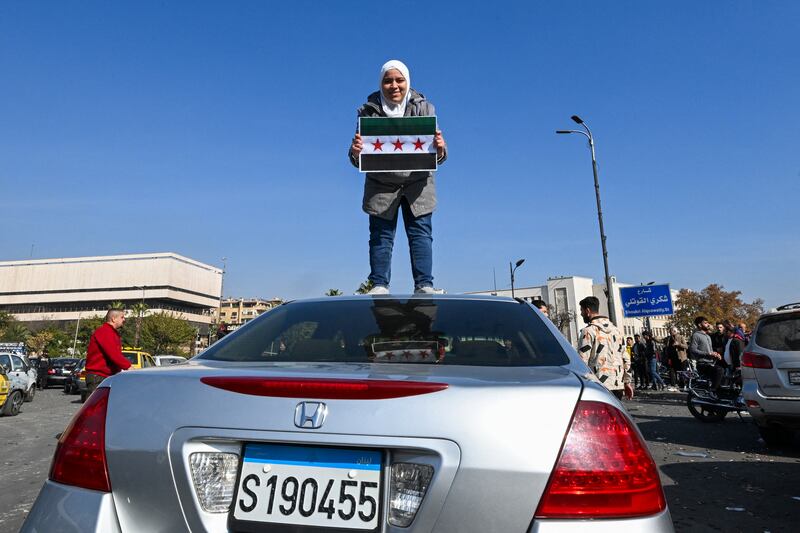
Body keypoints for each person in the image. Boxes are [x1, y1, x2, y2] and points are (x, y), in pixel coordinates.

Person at [349, 60, 447, 295]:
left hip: (418, 184)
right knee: (381, 236)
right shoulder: (367, 111)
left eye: (399, 80)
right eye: (388, 80)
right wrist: (355, 152)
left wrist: (441, 148)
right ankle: (379, 284)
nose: (394, 85)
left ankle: (425, 284)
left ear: (408, 82)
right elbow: (356, 159)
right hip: (381, 185)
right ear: (381, 84)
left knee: (421, 233)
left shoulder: (426, 109)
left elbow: (439, 156)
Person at [577, 296, 633, 400]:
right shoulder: (617, 331)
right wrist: (627, 382)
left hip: (597, 385)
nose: (581, 314)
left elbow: (582, 361)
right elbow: (626, 358)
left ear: (588, 311)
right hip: (618, 384)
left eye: (582, 311)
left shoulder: (588, 331)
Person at [85, 309, 131, 398]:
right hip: (98, 377)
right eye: (122, 317)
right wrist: (129, 367)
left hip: (105, 376)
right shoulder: (105, 331)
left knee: (104, 407)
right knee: (95, 408)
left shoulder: (111, 332)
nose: (124, 319)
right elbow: (113, 354)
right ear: (113, 319)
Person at [689, 316, 724, 394]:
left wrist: (715, 354)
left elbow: (710, 351)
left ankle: (714, 394)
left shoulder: (708, 336)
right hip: (702, 364)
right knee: (719, 370)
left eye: (708, 323)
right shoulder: (696, 335)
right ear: (699, 325)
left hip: (710, 363)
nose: (708, 324)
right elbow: (693, 350)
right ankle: (712, 391)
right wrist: (707, 354)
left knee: (722, 374)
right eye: (705, 323)